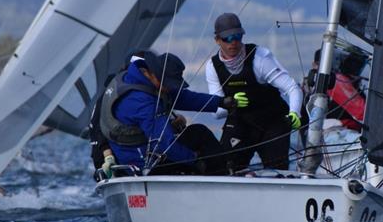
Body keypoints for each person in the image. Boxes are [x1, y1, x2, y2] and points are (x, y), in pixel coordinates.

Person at [101, 50, 244, 175]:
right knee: (199, 136)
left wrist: (220, 102)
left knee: (198, 133)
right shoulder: (142, 102)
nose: (170, 88)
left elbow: (183, 97)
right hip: (141, 163)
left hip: (148, 150)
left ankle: (222, 171)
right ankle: (222, 176)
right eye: (169, 84)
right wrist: (195, 160)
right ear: (154, 74)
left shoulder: (140, 77)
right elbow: (164, 144)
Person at [205, 13, 303, 173]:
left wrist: (294, 113)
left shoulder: (260, 58)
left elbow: (293, 88)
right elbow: (217, 112)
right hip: (240, 122)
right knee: (225, 167)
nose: (234, 43)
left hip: (272, 122)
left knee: (277, 171)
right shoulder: (212, 66)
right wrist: (229, 102)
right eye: (227, 39)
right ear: (217, 40)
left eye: (237, 36)